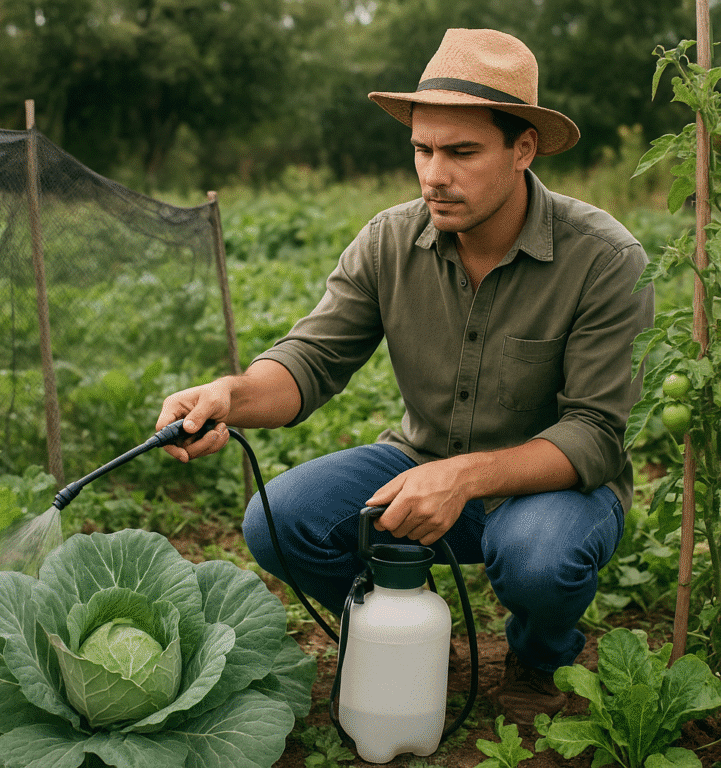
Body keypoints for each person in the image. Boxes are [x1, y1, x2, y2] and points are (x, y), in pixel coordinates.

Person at [157, 28, 654, 727]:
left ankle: (541, 658)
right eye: (422, 149)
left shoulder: (603, 259)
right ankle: (412, 625)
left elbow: (596, 437)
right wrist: (231, 395)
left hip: (551, 488)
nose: (433, 175)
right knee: (281, 520)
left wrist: (466, 477)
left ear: (523, 149)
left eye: (461, 152)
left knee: (540, 557)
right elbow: (311, 360)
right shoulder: (390, 239)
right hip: (419, 461)